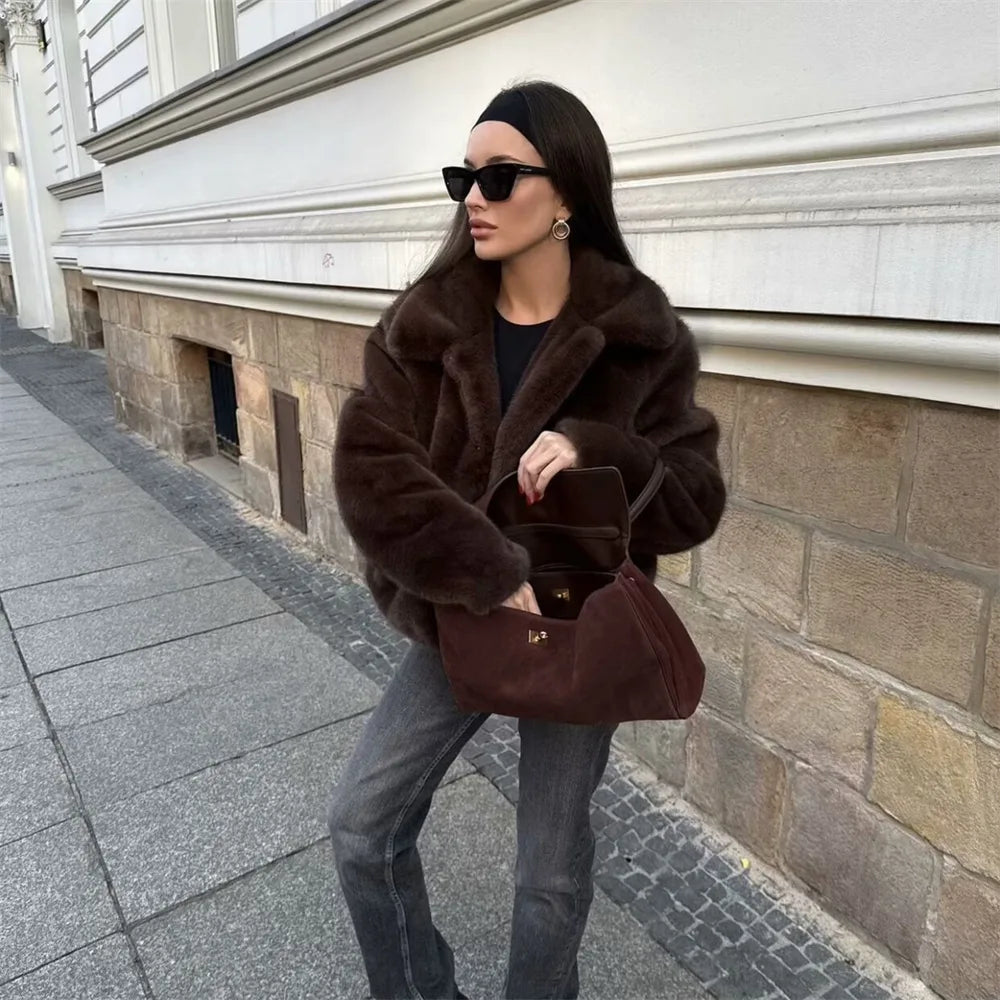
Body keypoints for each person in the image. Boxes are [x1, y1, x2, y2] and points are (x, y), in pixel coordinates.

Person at [327, 80, 726, 1000]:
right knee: (360, 823)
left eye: (499, 176)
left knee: (547, 875)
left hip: (579, 625)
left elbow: (694, 496)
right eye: (462, 176)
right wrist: (486, 567)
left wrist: (602, 448)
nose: (474, 195)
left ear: (569, 195)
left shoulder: (638, 335)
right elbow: (370, 468)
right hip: (459, 614)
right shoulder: (423, 324)